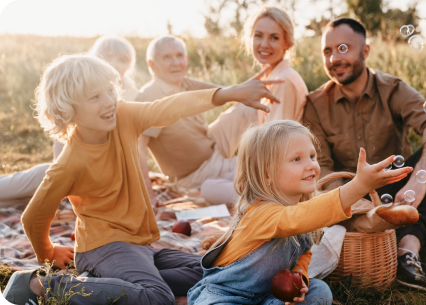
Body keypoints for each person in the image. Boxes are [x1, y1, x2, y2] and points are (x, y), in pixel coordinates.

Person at [2, 54, 281, 305]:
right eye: (95, 97)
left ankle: (109, 284)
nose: (109, 101)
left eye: (109, 90)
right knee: (157, 298)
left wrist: (226, 93)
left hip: (139, 246)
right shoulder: (68, 164)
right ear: (68, 108)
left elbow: (166, 107)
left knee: (218, 270)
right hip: (102, 247)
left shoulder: (123, 116)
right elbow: (34, 216)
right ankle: (43, 285)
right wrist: (48, 253)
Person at [302, 18, 426, 290]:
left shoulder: (393, 89)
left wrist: (418, 179)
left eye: (342, 48)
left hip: (397, 188)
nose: (333, 58)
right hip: (348, 195)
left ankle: (407, 250)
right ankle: (419, 224)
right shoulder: (314, 105)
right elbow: (322, 167)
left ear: (365, 51)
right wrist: (352, 201)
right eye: (327, 51)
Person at [187, 120, 412, 305]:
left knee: (319, 291)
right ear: (267, 174)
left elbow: (304, 253)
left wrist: (300, 278)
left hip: (270, 295)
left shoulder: (303, 213)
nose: (311, 165)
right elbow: (297, 219)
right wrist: (358, 186)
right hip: (225, 295)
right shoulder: (260, 211)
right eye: (297, 159)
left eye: (312, 156)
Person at [0, 35, 140, 208]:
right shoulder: (80, 91)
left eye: (122, 60)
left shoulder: (133, 95)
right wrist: (64, 170)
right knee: (38, 178)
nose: (115, 63)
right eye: (108, 57)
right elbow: (64, 134)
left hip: (107, 170)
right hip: (74, 165)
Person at [200, 5, 309, 205]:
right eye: (258, 36)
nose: (264, 44)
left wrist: (254, 178)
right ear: (250, 39)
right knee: (211, 182)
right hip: (271, 171)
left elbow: (278, 147)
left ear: (287, 42)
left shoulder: (283, 81)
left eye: (274, 37)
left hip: (279, 181)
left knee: (208, 187)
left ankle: (263, 204)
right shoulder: (274, 76)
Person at [135, 35, 257, 207]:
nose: (176, 62)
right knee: (260, 165)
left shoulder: (183, 83)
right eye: (167, 57)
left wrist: (258, 84)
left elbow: (227, 92)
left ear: (185, 59)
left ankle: (278, 144)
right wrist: (149, 196)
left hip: (213, 148)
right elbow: (138, 148)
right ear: (152, 65)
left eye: (179, 56)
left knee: (247, 108)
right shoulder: (151, 96)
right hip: (197, 174)